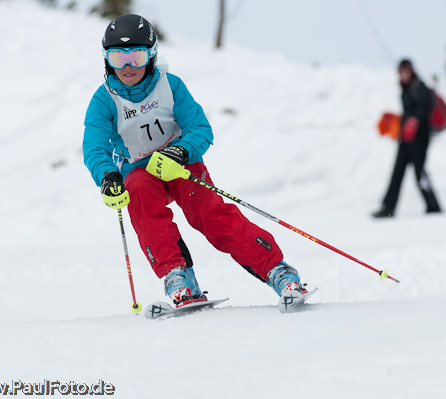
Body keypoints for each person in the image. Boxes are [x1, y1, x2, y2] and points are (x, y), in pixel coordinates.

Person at [83, 14, 310, 312]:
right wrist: (108, 177)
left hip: (179, 164)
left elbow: (200, 128)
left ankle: (278, 271)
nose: (127, 67)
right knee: (138, 192)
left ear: (151, 56)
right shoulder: (104, 100)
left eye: (136, 57)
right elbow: (94, 147)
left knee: (212, 217)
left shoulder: (170, 85)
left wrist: (181, 152)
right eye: (118, 57)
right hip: (141, 172)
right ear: (106, 59)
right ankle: (179, 278)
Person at [373, 59, 442, 218]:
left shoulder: (421, 87)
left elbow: (424, 110)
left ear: (411, 71)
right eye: (400, 72)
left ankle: (433, 205)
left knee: (420, 173)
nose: (403, 74)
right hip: (405, 139)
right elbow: (408, 112)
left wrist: (414, 120)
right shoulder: (405, 89)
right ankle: (388, 207)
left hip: (419, 139)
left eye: (405, 71)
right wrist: (398, 123)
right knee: (397, 172)